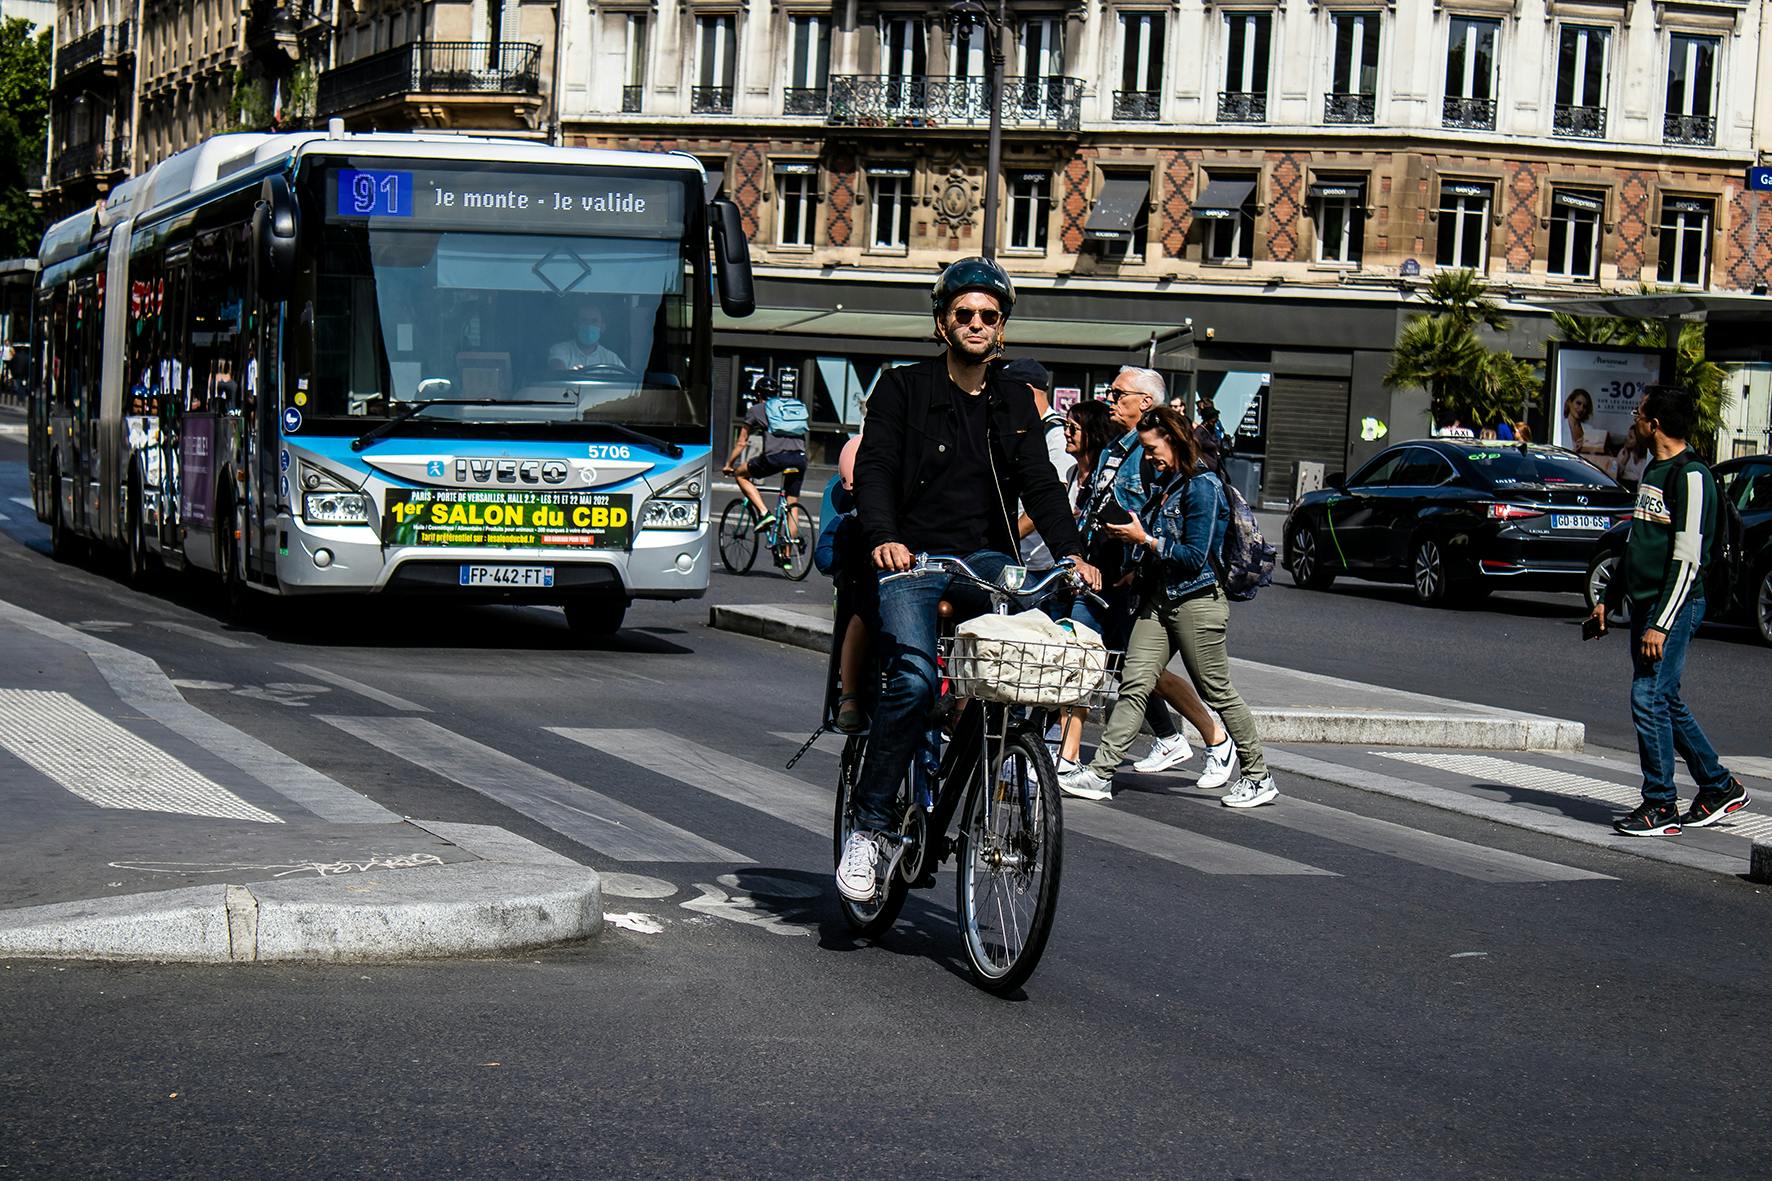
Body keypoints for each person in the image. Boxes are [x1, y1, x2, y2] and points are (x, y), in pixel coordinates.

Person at [840, 257, 1101, 904]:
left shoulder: (1013, 399)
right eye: (965, 314)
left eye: (989, 315)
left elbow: (1040, 482)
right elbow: (873, 469)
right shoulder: (902, 389)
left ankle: (995, 766)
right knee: (913, 677)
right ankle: (870, 828)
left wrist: (1071, 552)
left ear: (1002, 329)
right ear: (942, 324)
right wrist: (884, 538)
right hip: (913, 558)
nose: (977, 323)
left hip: (986, 559)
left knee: (1025, 659)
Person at [1060, 405, 1277, 808]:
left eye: (1151, 448)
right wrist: (1132, 549)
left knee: (1218, 690)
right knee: (1135, 682)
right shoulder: (1167, 485)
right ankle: (1101, 772)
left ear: (1174, 441)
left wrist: (1144, 540)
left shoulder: (1203, 487)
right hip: (1156, 600)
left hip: (1197, 601)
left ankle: (1258, 775)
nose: (1148, 457)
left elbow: (1196, 556)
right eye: (1143, 449)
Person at [1590, 387, 1748, 836]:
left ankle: (1660, 805)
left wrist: (1661, 622)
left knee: (1648, 697)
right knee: (1665, 699)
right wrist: (1608, 598)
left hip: (1675, 606)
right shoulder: (1653, 469)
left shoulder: (1691, 475)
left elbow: (1687, 559)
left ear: (1655, 424)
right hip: (1646, 606)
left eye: (1638, 415)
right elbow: (1638, 542)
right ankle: (1718, 786)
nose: (1634, 422)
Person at [1081, 367, 1234, 782]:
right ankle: (1155, 744)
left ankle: (1219, 741)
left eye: (1118, 393)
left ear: (1145, 402)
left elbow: (1164, 525)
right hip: (1106, 566)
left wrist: (1139, 557)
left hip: (1135, 572)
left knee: (1159, 672)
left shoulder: (1150, 454)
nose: (1110, 399)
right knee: (1127, 666)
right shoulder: (1119, 445)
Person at [815, 435, 873, 733]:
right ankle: (849, 696)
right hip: (864, 592)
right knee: (863, 614)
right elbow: (825, 558)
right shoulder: (847, 523)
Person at [1008, 356, 1076, 569]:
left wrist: (1008, 538)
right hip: (1020, 556)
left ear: (1027, 390)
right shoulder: (1025, 429)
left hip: (1040, 562)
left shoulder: (1056, 435)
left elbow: (1050, 500)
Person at [722, 377, 808, 536]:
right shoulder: (788, 407)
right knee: (792, 503)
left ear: (758, 394)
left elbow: (741, 443)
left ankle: (764, 513)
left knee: (740, 474)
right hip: (800, 458)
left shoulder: (756, 409)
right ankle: (787, 557)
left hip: (775, 457)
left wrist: (729, 464)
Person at [548, 304, 625, 372]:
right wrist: (571, 374)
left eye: (594, 321)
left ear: (603, 327)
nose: (589, 325)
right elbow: (558, 374)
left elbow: (624, 382)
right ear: (576, 325)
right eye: (584, 320)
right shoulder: (560, 349)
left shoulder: (612, 358)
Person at [1562, 388, 1608, 458]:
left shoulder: (1590, 430)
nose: (1581, 409)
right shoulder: (1559, 427)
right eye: (1578, 403)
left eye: (1585, 406)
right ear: (1569, 402)